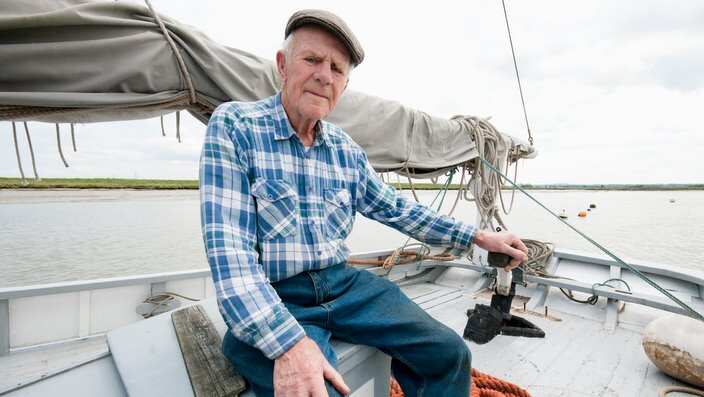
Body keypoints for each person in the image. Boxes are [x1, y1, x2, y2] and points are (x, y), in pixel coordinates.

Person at [199, 9, 528, 397]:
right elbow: (230, 256)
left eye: (338, 69)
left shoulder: (344, 150)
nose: (325, 75)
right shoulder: (236, 127)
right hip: (276, 294)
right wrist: (288, 344)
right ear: (282, 66)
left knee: (449, 354)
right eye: (313, 60)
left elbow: (397, 209)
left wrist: (477, 236)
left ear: (344, 84)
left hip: (344, 287)